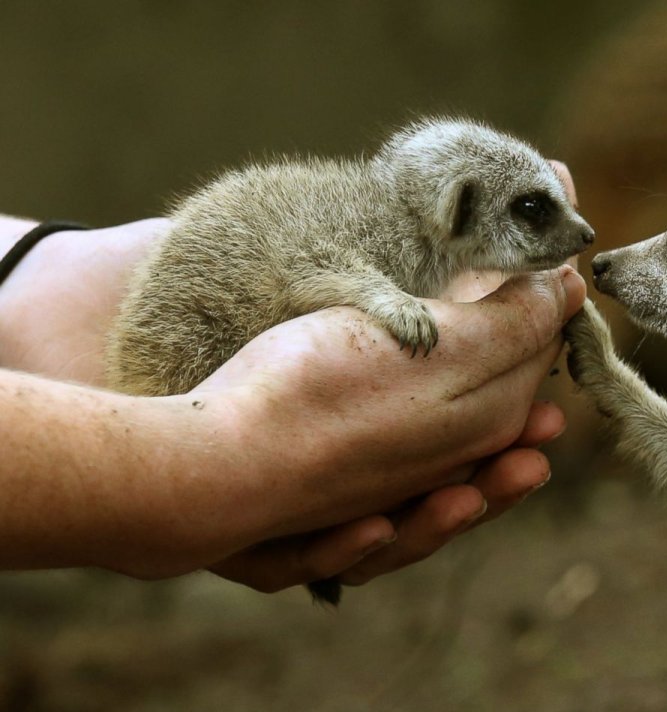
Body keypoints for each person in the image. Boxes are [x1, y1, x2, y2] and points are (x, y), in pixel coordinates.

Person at [0, 169, 586, 596]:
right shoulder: (380, 235)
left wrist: (32, 277)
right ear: (458, 211)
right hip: (199, 337)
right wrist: (184, 471)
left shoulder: (406, 243)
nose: (581, 234)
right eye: (534, 212)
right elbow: (313, 269)